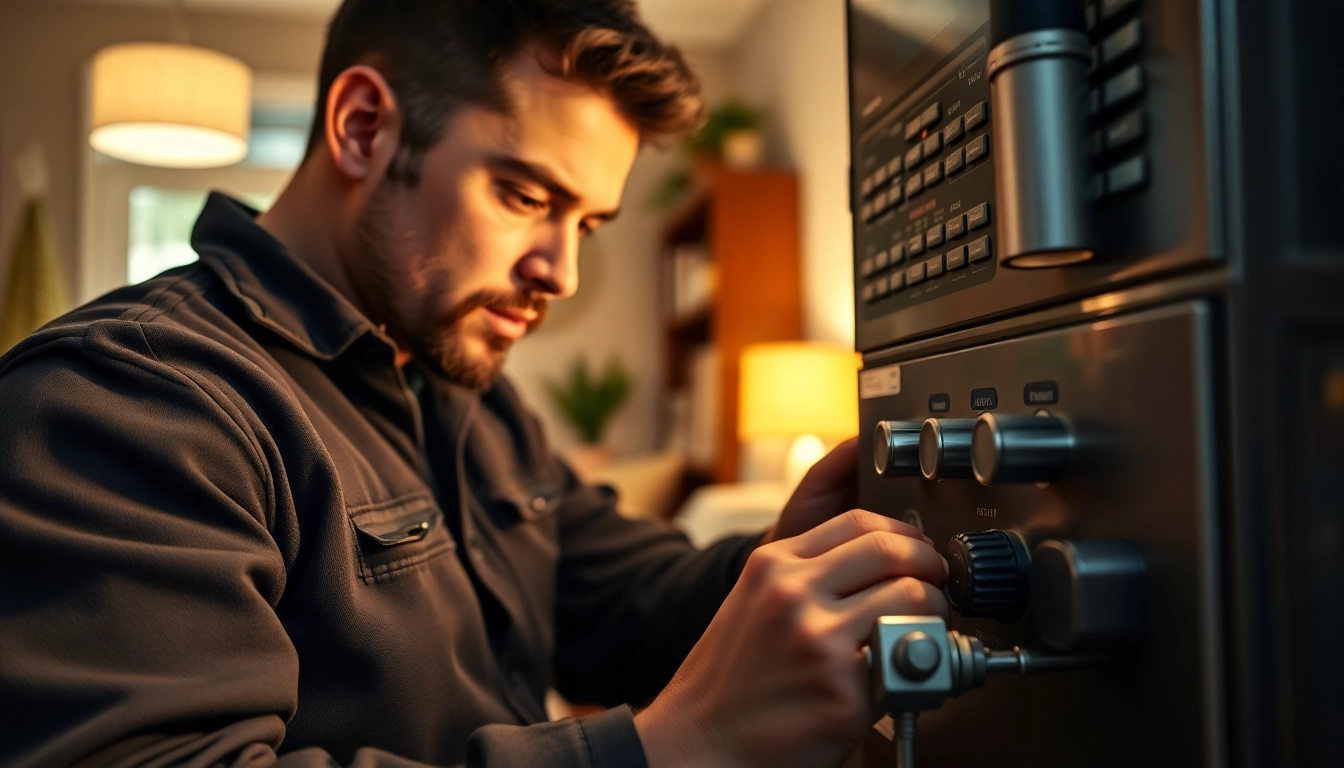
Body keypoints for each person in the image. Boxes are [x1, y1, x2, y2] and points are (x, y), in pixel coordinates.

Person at [0, 1, 948, 766]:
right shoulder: (124, 403)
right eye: (528, 197)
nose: (562, 272)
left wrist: (795, 547)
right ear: (364, 127)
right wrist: (666, 748)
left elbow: (614, 596)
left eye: (589, 223)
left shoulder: (468, 392)